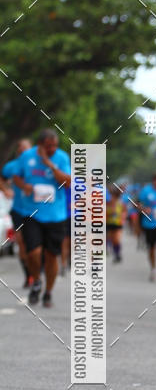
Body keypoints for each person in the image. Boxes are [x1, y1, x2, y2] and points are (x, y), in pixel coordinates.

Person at [8, 129, 71, 307]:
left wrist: (49, 163)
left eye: (54, 146)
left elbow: (67, 182)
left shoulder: (62, 158)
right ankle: (36, 280)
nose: (52, 149)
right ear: (40, 144)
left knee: (51, 256)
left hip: (56, 215)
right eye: (48, 146)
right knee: (33, 252)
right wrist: (24, 186)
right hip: (32, 213)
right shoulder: (26, 156)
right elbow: (15, 177)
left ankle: (48, 292)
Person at [1, 137, 33, 288]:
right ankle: (29, 275)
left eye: (25, 148)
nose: (22, 151)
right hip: (18, 209)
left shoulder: (37, 165)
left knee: (34, 244)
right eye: (20, 148)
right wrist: (6, 191)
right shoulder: (12, 166)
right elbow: (1, 179)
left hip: (37, 210)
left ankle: (36, 271)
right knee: (21, 242)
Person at [106, 184, 126, 262]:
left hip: (118, 223)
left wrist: (122, 217)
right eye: (111, 196)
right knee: (112, 239)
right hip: (109, 223)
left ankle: (117, 254)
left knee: (116, 239)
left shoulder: (120, 203)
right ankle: (115, 253)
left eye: (114, 196)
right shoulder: (107, 203)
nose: (112, 197)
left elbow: (124, 211)